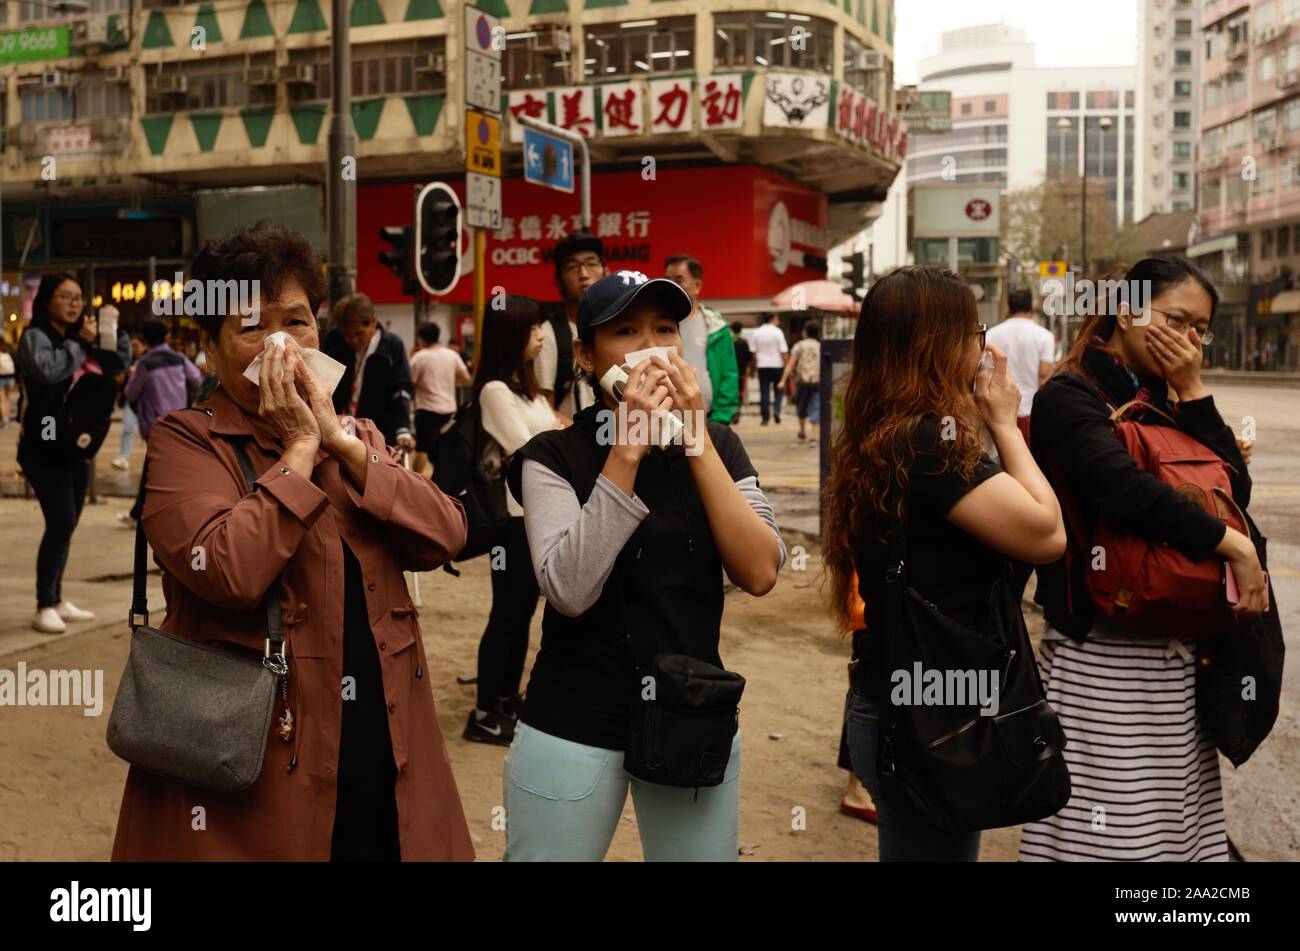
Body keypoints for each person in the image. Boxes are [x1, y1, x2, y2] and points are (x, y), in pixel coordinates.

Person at [111, 223, 474, 861]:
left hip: (385, 750)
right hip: (257, 762)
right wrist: (299, 451)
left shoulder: (359, 436)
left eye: (298, 322)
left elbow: (445, 534)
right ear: (210, 345)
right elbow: (227, 570)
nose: (282, 345)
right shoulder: (186, 441)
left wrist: (340, 444)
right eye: (253, 327)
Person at [501, 270, 786, 861]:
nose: (651, 348)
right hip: (572, 722)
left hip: (692, 714)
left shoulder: (721, 446)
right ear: (585, 353)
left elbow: (760, 571)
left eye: (664, 329)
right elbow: (568, 588)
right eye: (626, 331)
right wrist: (626, 447)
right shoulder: (552, 456)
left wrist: (695, 440)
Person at [1018, 257, 1266, 863]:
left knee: (1175, 827)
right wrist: (1232, 546)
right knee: (1109, 831)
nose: (1187, 339)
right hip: (1101, 653)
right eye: (1177, 319)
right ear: (1127, 308)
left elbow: (1236, 493)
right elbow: (1124, 490)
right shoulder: (1070, 395)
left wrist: (1196, 394)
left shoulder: (1168, 397)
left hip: (1179, 653)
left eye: (1199, 329)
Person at [823, 266, 1066, 861]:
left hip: (908, 699)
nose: (982, 346)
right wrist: (1007, 424)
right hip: (930, 719)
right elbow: (1046, 532)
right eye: (973, 330)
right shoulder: (925, 442)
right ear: (939, 343)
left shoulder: (880, 428)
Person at [466, 295, 564, 746]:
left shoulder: (524, 388)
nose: (543, 337)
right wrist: (557, 435)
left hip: (535, 519)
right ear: (513, 335)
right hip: (511, 522)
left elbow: (552, 433)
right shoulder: (493, 391)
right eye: (534, 329)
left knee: (523, 615)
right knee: (505, 616)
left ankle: (507, 700)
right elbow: (531, 447)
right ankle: (485, 712)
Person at [17, 274, 107, 634]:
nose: (74, 304)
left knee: (67, 525)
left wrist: (103, 336)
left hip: (73, 444)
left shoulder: (80, 338)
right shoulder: (35, 336)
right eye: (65, 296)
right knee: (61, 522)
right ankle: (44, 604)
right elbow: (46, 373)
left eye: (78, 297)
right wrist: (79, 346)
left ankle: (55, 598)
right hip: (43, 443)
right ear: (47, 301)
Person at [321, 293, 414, 451]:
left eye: (359, 333)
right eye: (347, 335)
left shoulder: (392, 345)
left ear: (374, 322)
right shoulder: (334, 341)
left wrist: (402, 428)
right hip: (338, 428)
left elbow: (401, 388)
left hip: (377, 430)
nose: (353, 340)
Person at [663, 254, 740, 426]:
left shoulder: (716, 327)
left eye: (679, 280)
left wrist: (720, 419)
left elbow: (729, 374)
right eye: (668, 280)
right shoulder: (657, 324)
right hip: (665, 424)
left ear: (697, 285)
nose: (673, 286)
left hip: (710, 421)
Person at [536, 232, 602, 419]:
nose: (583, 274)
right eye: (572, 267)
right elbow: (544, 406)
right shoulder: (549, 334)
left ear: (606, 270)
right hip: (576, 441)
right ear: (559, 280)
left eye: (591, 263)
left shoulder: (619, 327)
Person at [986, 288, 1054, 444]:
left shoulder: (992, 335)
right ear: (1031, 309)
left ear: (1009, 309)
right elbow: (1044, 375)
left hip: (999, 411)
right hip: (1031, 411)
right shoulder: (1044, 336)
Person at [123, 320, 202, 441]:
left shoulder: (144, 364)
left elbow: (130, 393)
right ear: (167, 336)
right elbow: (197, 379)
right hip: (180, 422)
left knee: (156, 458)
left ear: (145, 340)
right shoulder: (179, 359)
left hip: (154, 425)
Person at [409, 322, 470, 476]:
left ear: (421, 338)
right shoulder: (452, 355)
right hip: (449, 410)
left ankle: (416, 481)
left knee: (422, 448)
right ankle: (443, 482)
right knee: (445, 448)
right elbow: (466, 378)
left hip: (427, 410)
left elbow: (411, 383)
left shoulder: (419, 357)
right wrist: (451, 382)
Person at [779, 321, 820, 442]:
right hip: (817, 381)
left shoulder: (799, 346)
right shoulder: (820, 346)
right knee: (816, 406)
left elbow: (791, 364)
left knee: (801, 405)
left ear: (805, 332)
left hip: (802, 381)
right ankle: (813, 435)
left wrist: (783, 380)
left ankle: (802, 431)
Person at [112, 334, 147, 471]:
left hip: (146, 401)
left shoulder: (148, 361)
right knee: (128, 428)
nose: (134, 349)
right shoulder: (128, 360)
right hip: (131, 400)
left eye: (136, 346)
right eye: (132, 346)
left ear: (144, 346)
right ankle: (124, 456)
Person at [751, 313, 788, 425]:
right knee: (779, 390)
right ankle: (776, 410)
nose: (779, 321)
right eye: (777, 319)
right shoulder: (778, 332)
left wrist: (753, 368)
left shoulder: (756, 332)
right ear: (772, 319)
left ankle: (765, 418)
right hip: (777, 365)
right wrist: (788, 366)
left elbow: (753, 353)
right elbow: (784, 351)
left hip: (762, 366)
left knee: (764, 392)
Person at [731, 322, 752, 424]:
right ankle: (737, 411)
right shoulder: (744, 342)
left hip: (730, 373)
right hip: (742, 372)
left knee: (732, 392)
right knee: (740, 392)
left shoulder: (729, 342)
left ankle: (732, 411)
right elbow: (749, 358)